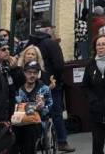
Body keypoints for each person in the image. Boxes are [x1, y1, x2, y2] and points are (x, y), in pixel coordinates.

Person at [28, 21, 74, 152]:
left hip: (33, 83)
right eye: (53, 29)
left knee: (35, 112)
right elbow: (59, 65)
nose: (54, 31)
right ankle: (61, 141)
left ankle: (37, 141)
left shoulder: (30, 43)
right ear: (48, 30)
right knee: (56, 113)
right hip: (50, 83)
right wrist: (58, 80)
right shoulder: (51, 43)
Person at [12, 61, 53, 154]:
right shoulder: (18, 90)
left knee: (30, 131)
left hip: (38, 121)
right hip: (19, 121)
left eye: (35, 73)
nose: (32, 75)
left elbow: (50, 106)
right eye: (29, 72)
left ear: (38, 74)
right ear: (24, 73)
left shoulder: (44, 89)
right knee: (13, 133)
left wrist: (42, 108)